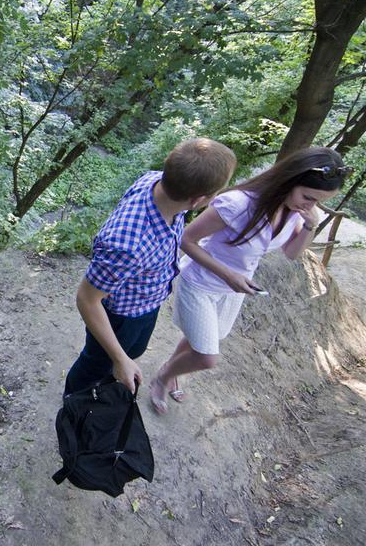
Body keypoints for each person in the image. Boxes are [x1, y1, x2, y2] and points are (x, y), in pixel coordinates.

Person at [150, 146, 353, 414]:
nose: (309, 206)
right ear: (289, 180)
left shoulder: (294, 210)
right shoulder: (238, 204)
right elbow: (187, 240)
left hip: (233, 289)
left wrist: (310, 224)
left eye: (317, 202)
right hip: (201, 283)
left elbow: (292, 253)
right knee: (207, 357)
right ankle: (163, 376)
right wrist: (229, 275)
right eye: (308, 197)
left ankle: (173, 371)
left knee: (201, 339)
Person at [63, 138, 237, 396]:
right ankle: (75, 401)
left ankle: (112, 375)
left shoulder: (159, 182)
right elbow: (87, 299)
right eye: (215, 195)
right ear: (198, 200)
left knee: (133, 350)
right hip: (121, 316)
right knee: (96, 364)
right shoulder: (127, 246)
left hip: (146, 301)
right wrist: (119, 359)